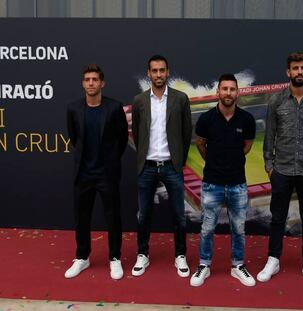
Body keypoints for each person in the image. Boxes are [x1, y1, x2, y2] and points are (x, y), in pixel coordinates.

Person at [259, 52, 303, 288]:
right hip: (281, 170)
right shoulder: (276, 101)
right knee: (277, 218)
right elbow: (269, 136)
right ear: (287, 72)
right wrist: (269, 167)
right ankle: (273, 259)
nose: (299, 72)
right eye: (295, 68)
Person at [190, 73, 256, 287]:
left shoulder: (246, 119)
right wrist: (214, 161)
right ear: (218, 92)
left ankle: (238, 265)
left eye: (232, 89)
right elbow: (200, 143)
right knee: (207, 227)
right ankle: (204, 264)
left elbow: (247, 145)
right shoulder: (206, 119)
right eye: (224, 89)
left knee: (238, 228)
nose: (228, 93)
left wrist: (233, 159)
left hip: (238, 183)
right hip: (212, 183)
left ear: (237, 92)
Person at [131, 54, 192, 277]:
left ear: (168, 72)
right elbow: (138, 134)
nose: (158, 74)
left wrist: (178, 160)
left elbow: (187, 134)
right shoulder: (139, 101)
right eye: (154, 71)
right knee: (144, 214)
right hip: (146, 166)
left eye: (162, 70)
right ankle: (142, 254)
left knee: (178, 214)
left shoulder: (180, 99)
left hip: (171, 166)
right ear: (149, 73)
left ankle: (180, 255)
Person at [65, 64, 128, 280]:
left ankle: (115, 258)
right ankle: (82, 257)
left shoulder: (114, 108)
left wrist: (109, 162)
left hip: (107, 173)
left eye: (94, 79)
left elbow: (121, 140)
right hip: (83, 173)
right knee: (81, 217)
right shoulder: (73, 109)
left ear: (102, 83)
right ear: (83, 83)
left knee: (113, 217)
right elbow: (75, 139)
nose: (91, 83)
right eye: (87, 79)